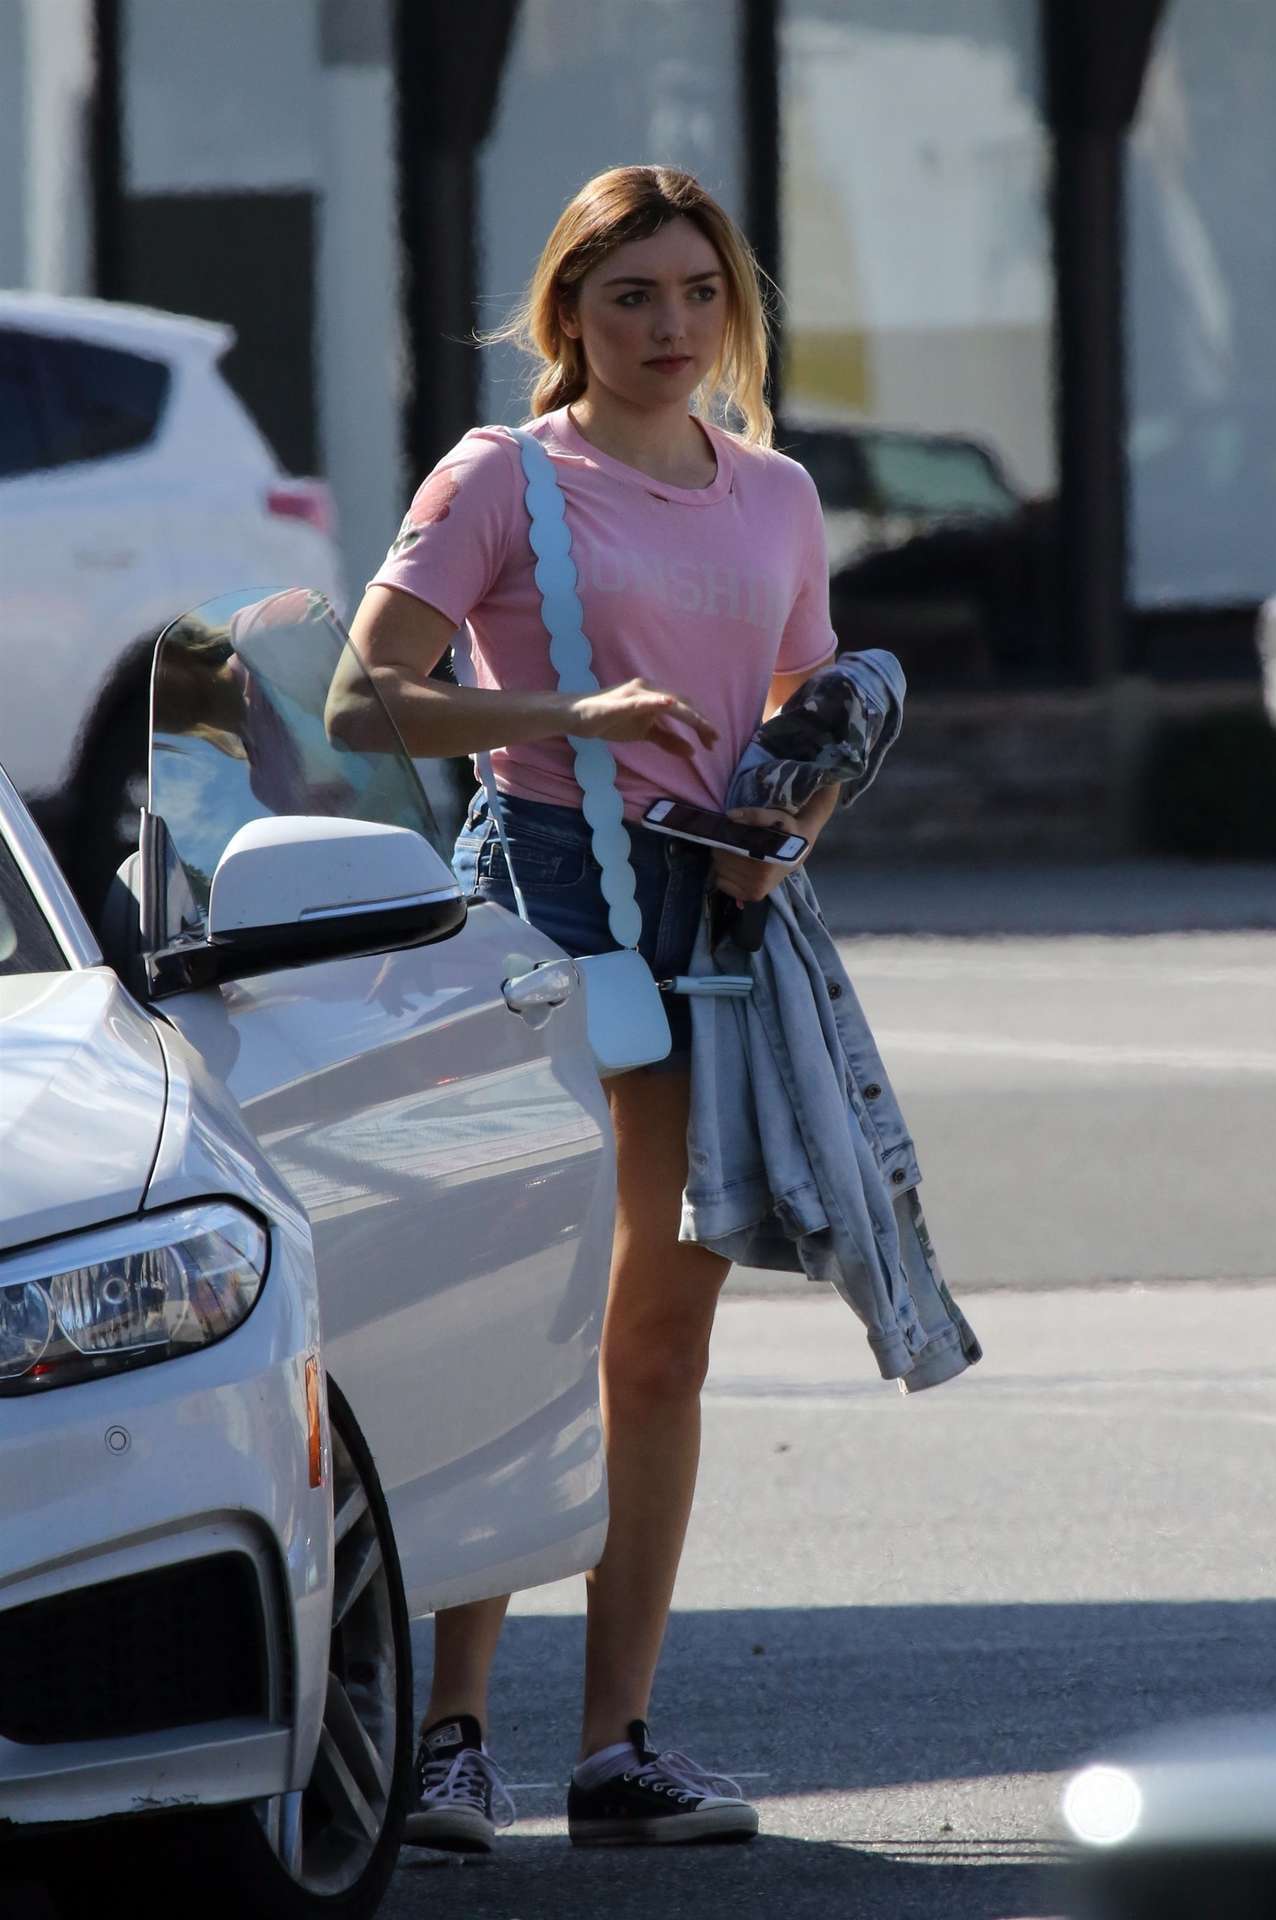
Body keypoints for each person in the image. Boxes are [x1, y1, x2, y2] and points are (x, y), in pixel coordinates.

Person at [337, 164, 842, 1851]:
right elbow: (362, 698)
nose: (670, 327)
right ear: (569, 312)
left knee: (660, 1342)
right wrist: (568, 713)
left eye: (699, 293)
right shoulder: (502, 475)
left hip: (717, 908)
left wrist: (794, 825)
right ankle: (450, 1740)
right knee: (522, 1329)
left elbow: (806, 705)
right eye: (631, 296)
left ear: (734, 308)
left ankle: (619, 1748)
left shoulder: (776, 492)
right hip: (539, 898)